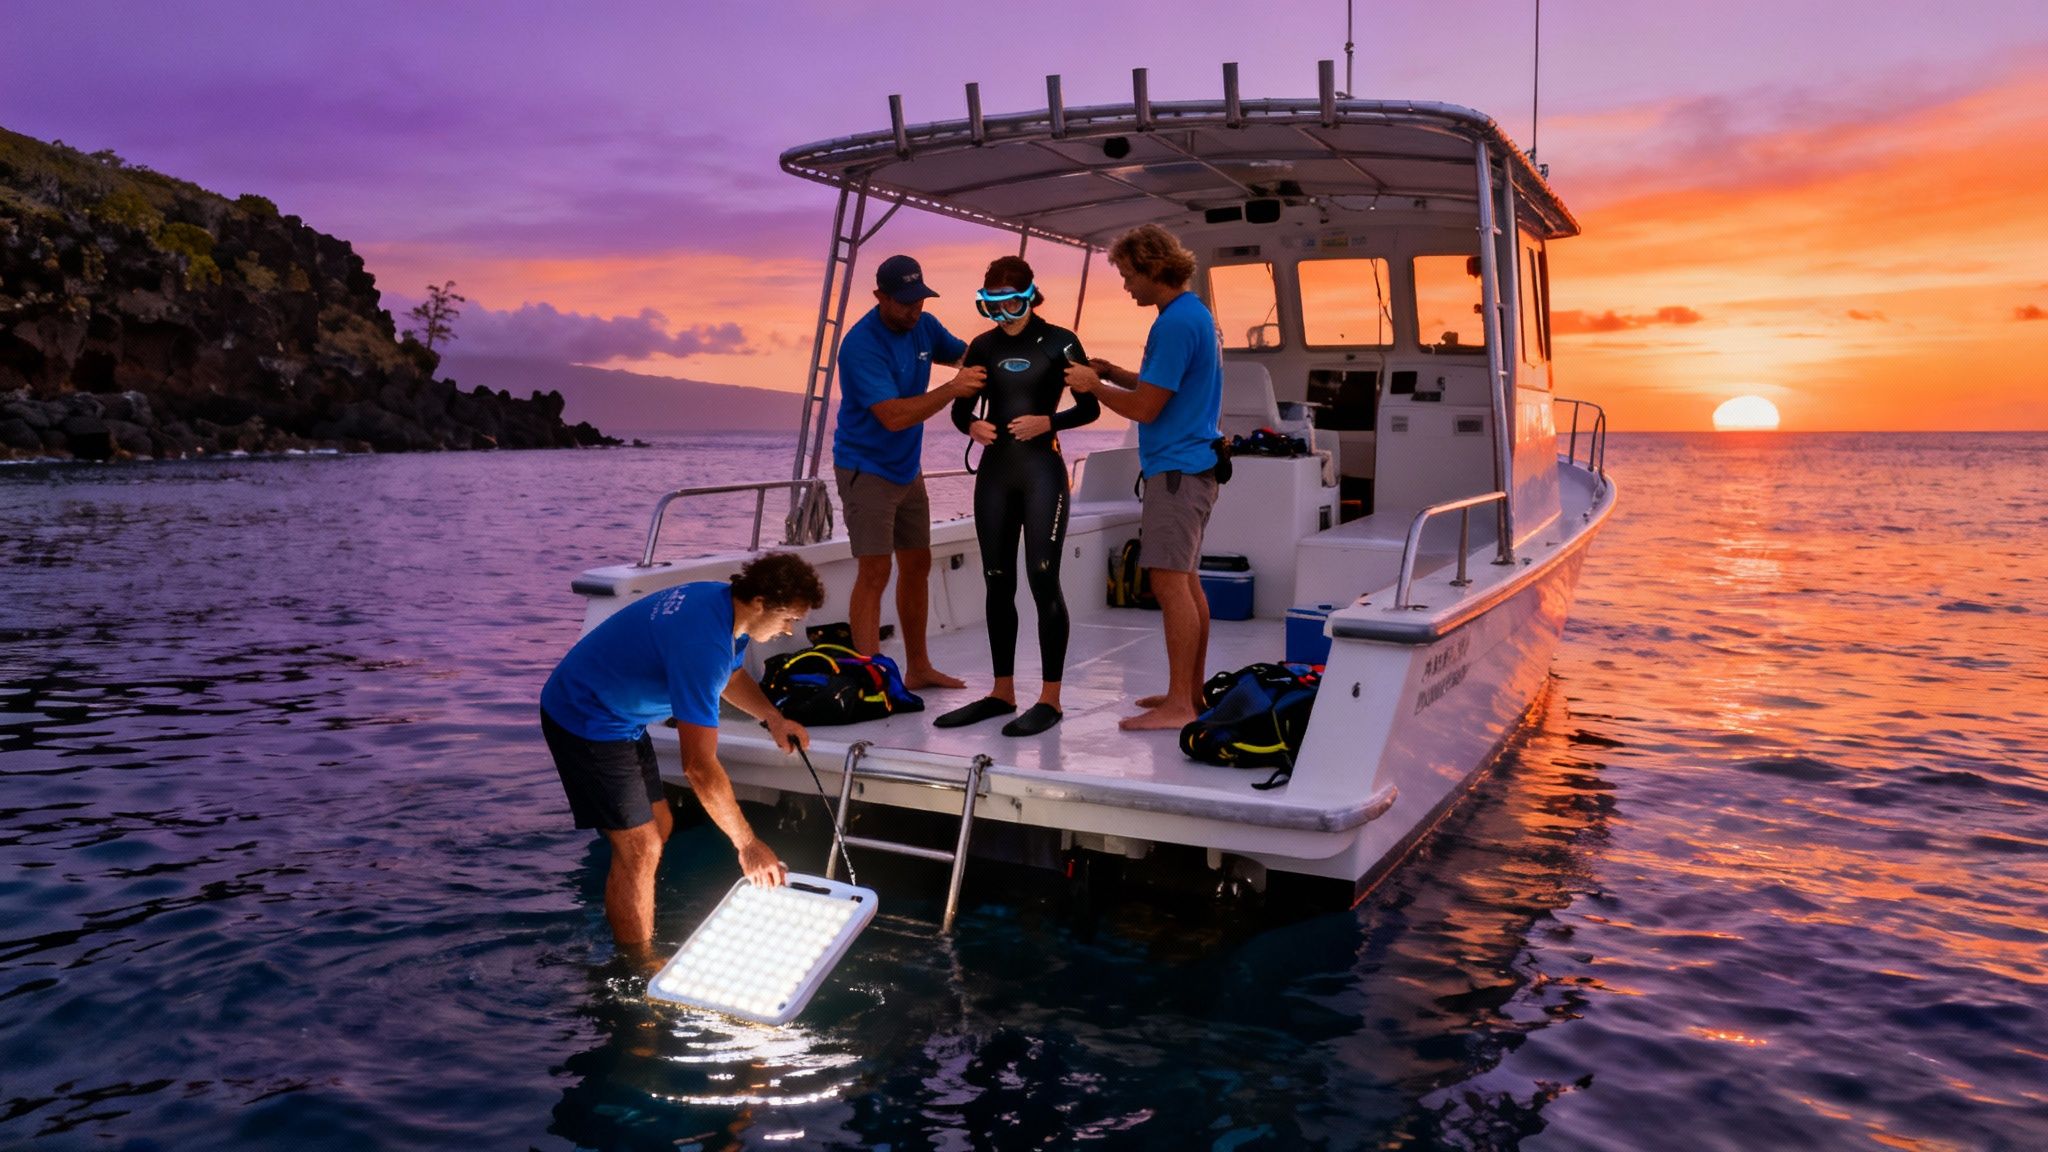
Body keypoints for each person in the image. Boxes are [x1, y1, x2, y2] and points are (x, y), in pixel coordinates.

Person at [539, 552, 827, 964]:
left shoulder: (723, 604)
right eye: (788, 619)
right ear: (761, 602)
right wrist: (747, 845)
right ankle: (636, 965)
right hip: (584, 717)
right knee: (641, 848)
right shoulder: (702, 646)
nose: (788, 630)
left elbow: (731, 674)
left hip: (620, 715)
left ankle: (629, 889)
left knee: (659, 826)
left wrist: (773, 718)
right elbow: (698, 766)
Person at [1064, 224, 1224, 731]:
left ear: (1155, 268)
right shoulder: (1191, 314)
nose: (1127, 285)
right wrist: (1112, 371)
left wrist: (1093, 385)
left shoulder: (1176, 324)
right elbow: (1160, 386)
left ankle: (1180, 705)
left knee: (1168, 584)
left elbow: (1147, 409)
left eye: (1130, 275)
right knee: (1187, 583)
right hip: (1191, 466)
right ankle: (1190, 694)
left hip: (1177, 471)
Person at [932, 256, 1100, 737]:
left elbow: (1088, 408)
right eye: (993, 304)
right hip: (996, 472)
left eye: (1011, 302)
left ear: (1029, 296)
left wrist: (1051, 421)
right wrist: (972, 425)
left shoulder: (1060, 341)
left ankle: (1051, 698)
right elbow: (960, 410)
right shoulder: (981, 347)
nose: (1003, 313)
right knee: (996, 578)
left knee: (1043, 576)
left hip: (1042, 470)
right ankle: (1001, 692)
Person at [832, 254, 987, 689]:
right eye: (903, 302)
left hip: (906, 469)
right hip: (866, 469)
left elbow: (968, 357)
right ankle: (871, 679)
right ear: (880, 296)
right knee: (875, 572)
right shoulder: (861, 345)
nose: (913, 309)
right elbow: (893, 417)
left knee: (917, 564)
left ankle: (919, 668)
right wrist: (952, 390)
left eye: (919, 298)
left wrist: (1016, 347)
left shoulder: (925, 324)